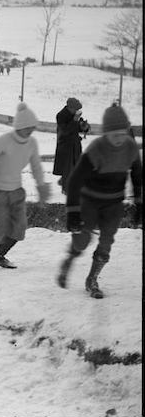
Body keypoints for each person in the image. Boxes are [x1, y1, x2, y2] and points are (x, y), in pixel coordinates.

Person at [57, 104, 142, 298]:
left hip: (114, 203)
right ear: (106, 133)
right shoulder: (97, 148)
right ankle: (70, 258)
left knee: (106, 242)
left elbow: (137, 174)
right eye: (114, 134)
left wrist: (139, 202)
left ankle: (92, 280)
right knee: (82, 240)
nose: (119, 138)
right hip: (90, 201)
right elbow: (75, 180)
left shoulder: (130, 147)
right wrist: (73, 212)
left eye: (123, 133)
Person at [0, 103, 50, 269]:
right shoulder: (4, 141)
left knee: (19, 229)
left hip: (16, 192)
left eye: (32, 127)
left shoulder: (32, 143)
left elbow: (36, 166)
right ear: (19, 126)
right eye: (27, 127)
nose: (30, 131)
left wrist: (42, 188)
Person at [53, 97, 90, 195]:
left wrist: (84, 127)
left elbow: (79, 128)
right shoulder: (61, 115)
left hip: (75, 145)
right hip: (65, 146)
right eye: (76, 109)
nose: (77, 111)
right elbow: (65, 130)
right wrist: (74, 120)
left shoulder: (75, 115)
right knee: (67, 168)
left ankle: (69, 183)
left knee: (76, 167)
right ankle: (66, 188)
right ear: (70, 107)